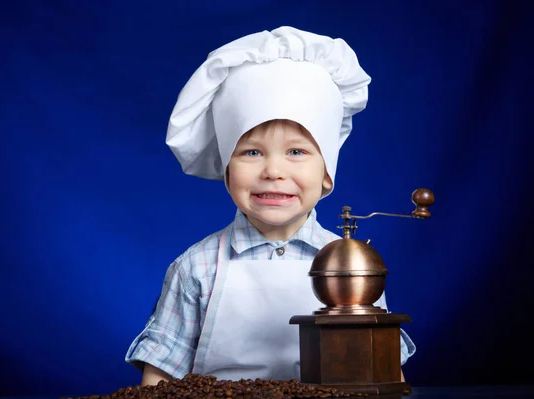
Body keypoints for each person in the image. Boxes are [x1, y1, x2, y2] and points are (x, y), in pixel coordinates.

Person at [125, 26, 415, 386]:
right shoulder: (195, 268)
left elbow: (384, 371)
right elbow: (160, 378)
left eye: (296, 152)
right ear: (226, 170)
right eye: (251, 152)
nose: (273, 171)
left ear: (327, 172)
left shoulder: (352, 267)